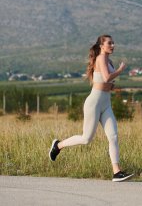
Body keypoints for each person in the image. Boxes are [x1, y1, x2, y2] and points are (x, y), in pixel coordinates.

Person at [49, 34, 134, 182]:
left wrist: (110, 86)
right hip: (94, 103)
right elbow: (107, 77)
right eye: (109, 43)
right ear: (101, 46)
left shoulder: (110, 61)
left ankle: (116, 172)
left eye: (113, 43)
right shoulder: (101, 58)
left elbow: (105, 81)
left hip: (106, 103)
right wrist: (120, 70)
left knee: (113, 137)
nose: (112, 45)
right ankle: (58, 145)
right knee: (86, 139)